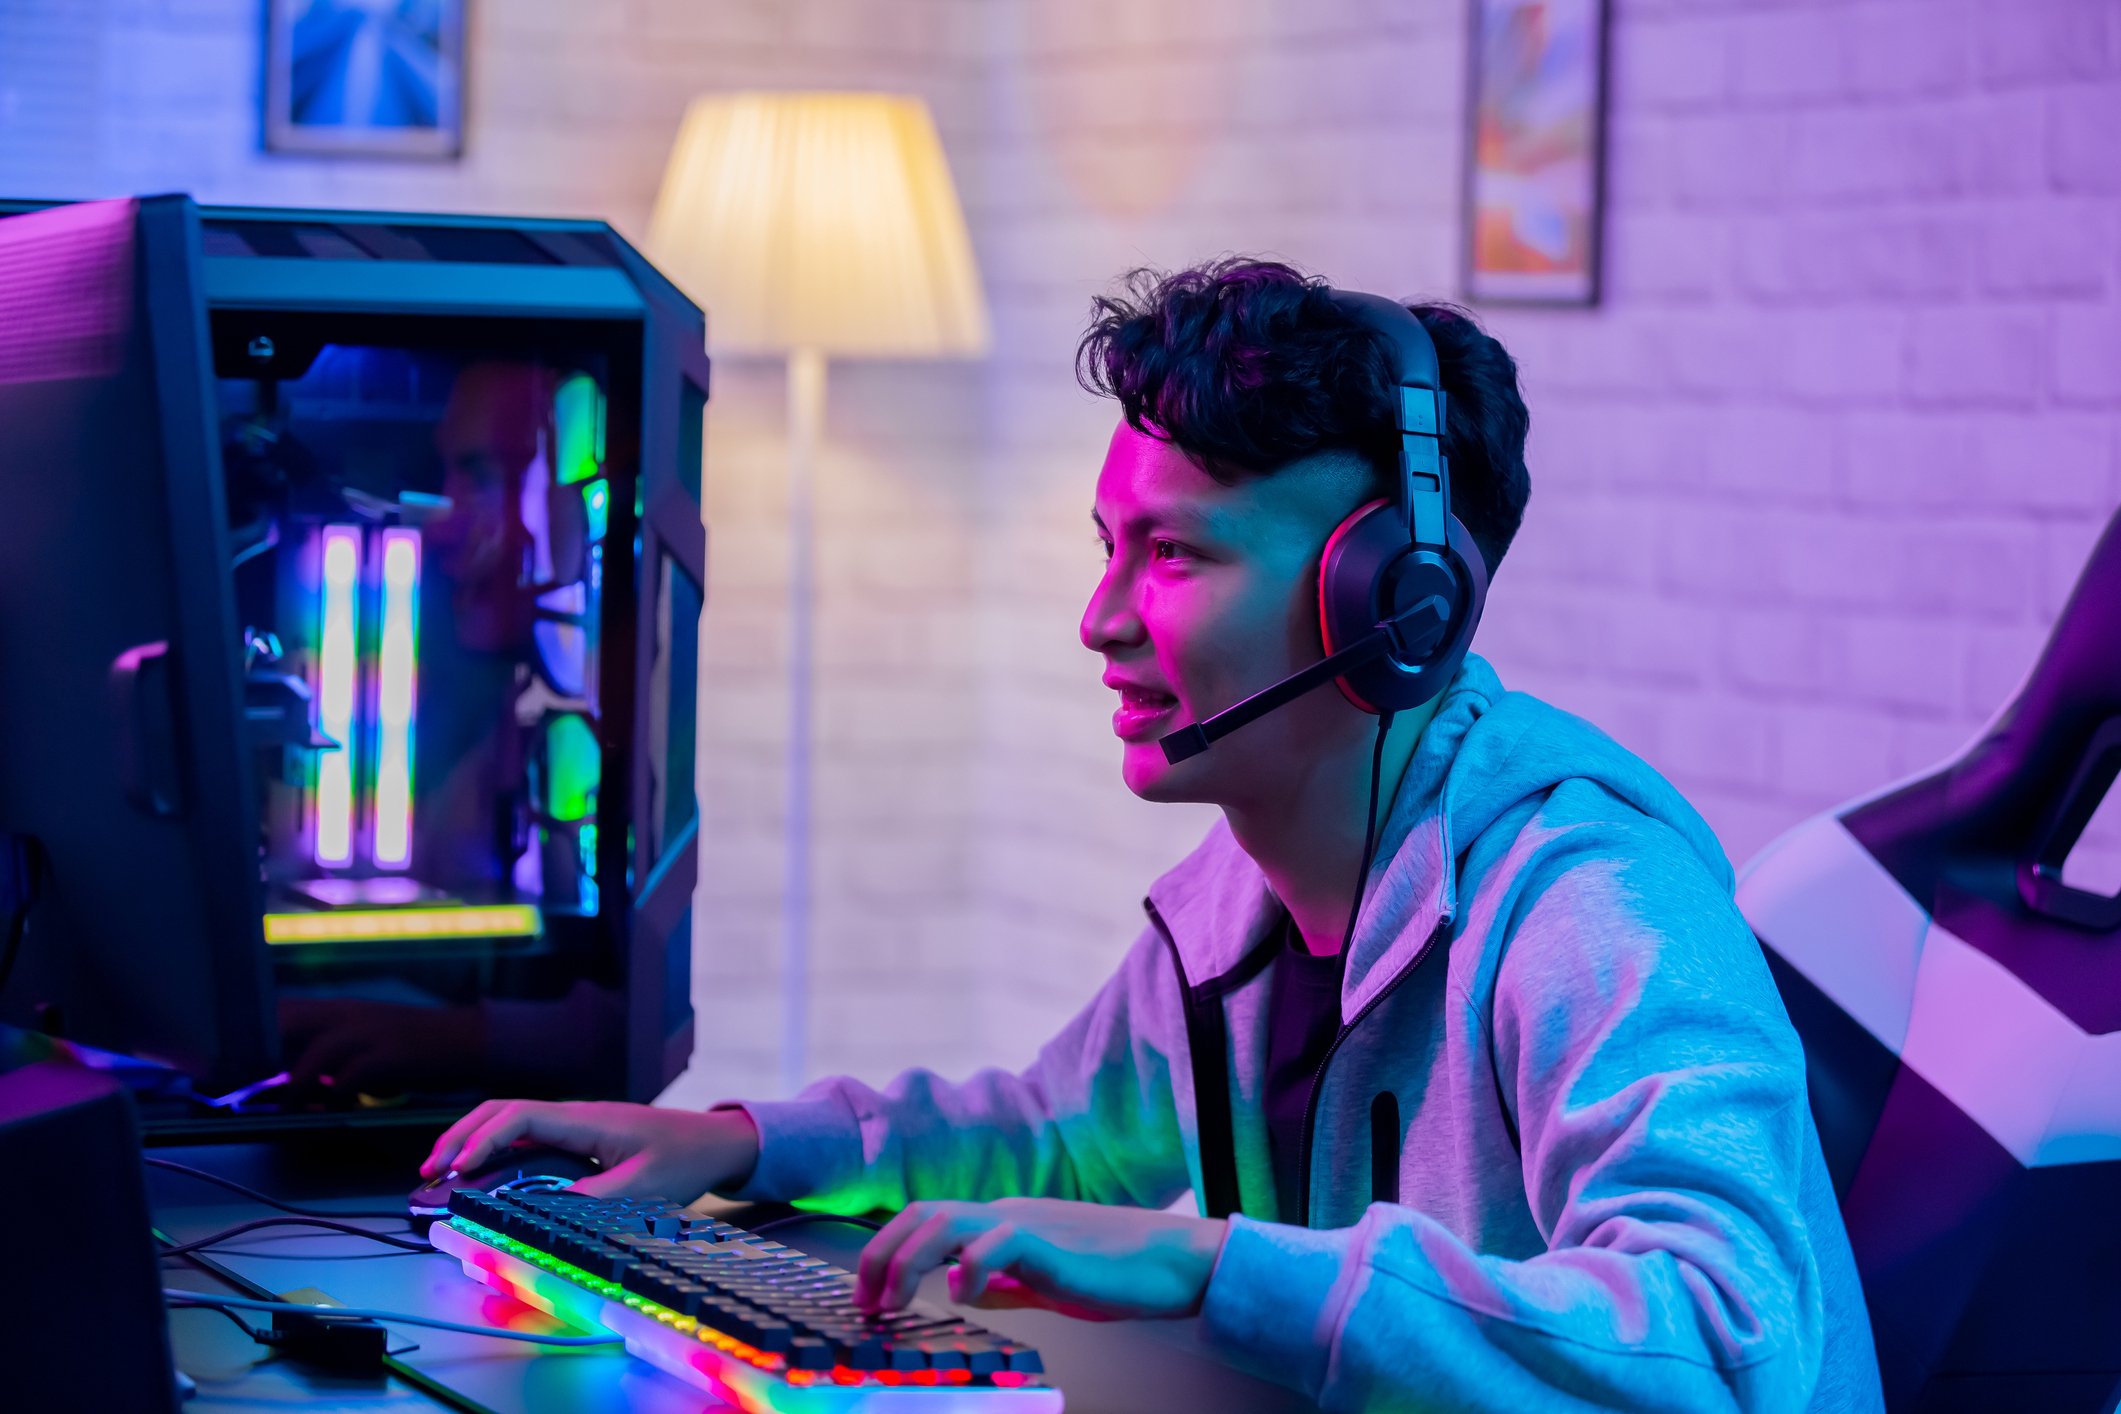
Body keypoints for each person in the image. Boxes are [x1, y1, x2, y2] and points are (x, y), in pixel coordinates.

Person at [422, 260, 1884, 1411]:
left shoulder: (1587, 902)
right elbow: (1063, 1132)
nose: (1101, 619)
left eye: (1172, 553)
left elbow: (1719, 1340)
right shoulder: (1249, 885)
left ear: (1394, 600)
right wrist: (730, 1142)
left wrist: (1203, 1262)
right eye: (1108, 546)